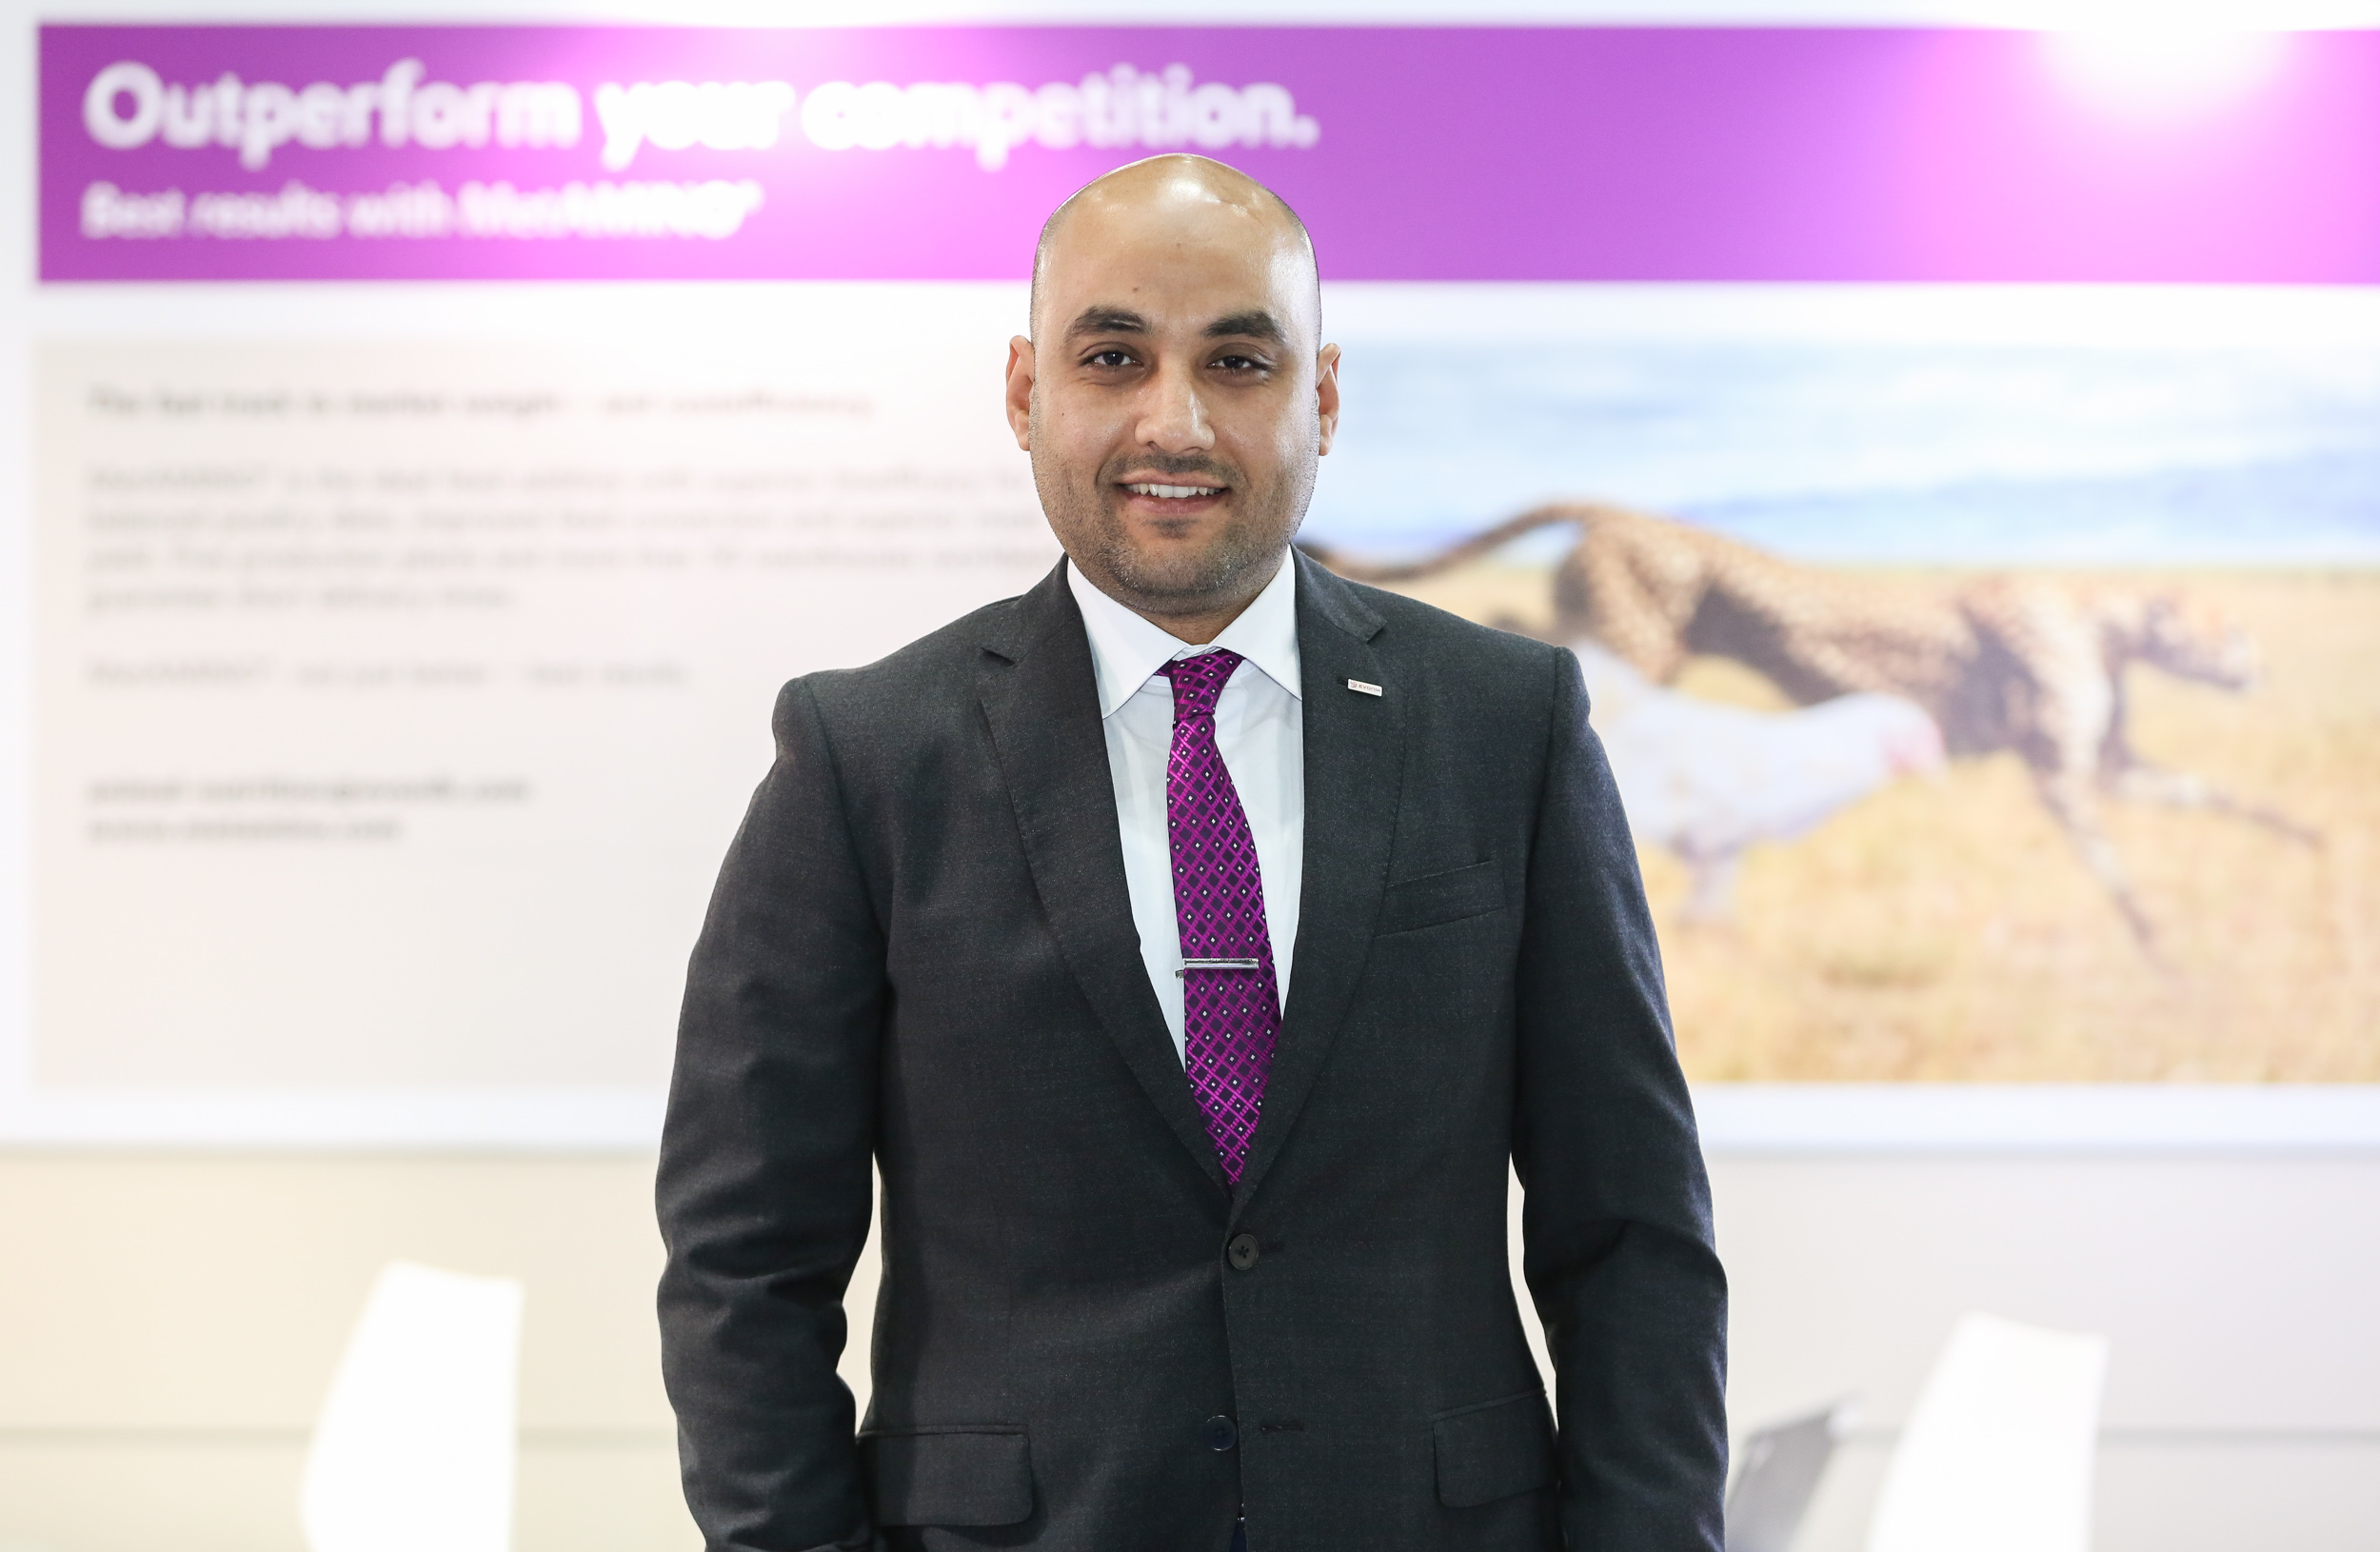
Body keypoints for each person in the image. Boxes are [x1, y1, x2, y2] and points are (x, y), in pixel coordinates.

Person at [657, 154, 1726, 1552]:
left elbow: (1632, 1231)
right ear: (1025, 393)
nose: (1175, 421)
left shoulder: (1504, 725)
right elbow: (744, 1261)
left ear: (1320, 399)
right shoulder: (865, 758)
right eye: (1112, 357)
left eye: (1237, 360)